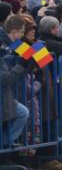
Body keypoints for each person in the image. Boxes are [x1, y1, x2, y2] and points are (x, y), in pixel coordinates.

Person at [0, 15, 30, 147]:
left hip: (7, 94)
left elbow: (37, 57)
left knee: (23, 112)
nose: (23, 35)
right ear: (14, 31)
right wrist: (22, 64)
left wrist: (38, 53)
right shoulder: (4, 43)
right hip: (6, 90)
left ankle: (6, 142)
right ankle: (5, 144)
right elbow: (7, 77)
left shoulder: (16, 43)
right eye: (22, 32)